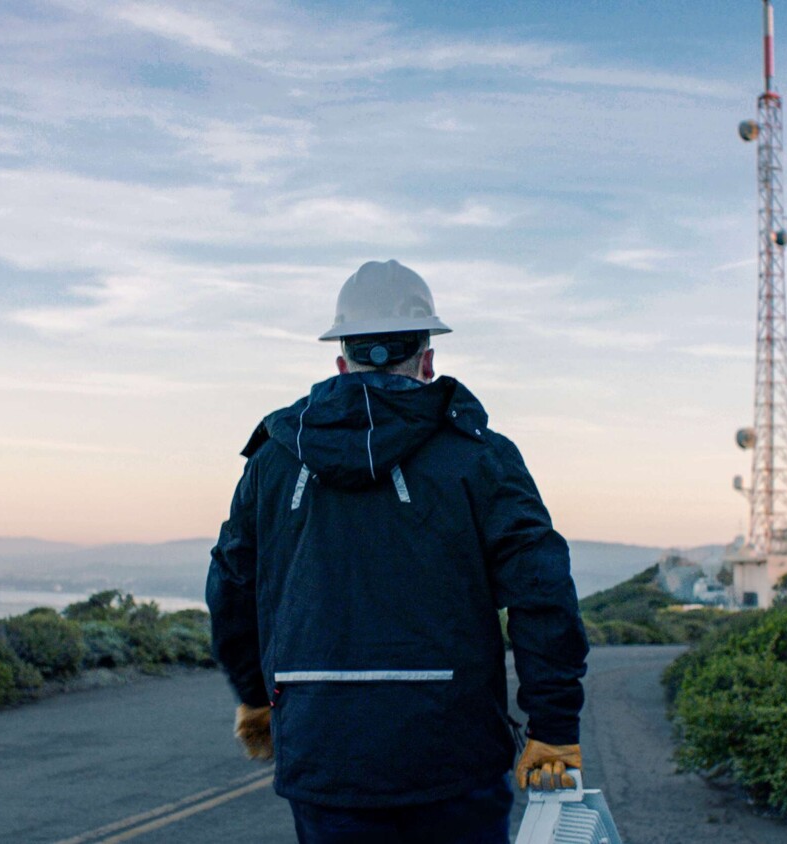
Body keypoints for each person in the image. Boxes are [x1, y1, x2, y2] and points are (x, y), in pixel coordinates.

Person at [207, 259, 589, 844]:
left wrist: (256, 699)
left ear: (342, 360)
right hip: (454, 761)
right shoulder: (480, 456)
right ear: (428, 359)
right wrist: (554, 727)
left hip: (323, 757)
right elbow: (542, 593)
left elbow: (231, 590)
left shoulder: (274, 461)